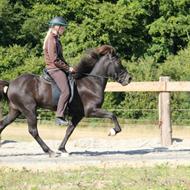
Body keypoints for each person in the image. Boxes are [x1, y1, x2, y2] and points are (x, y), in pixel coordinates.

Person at [43, 16, 75, 126]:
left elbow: (60, 57)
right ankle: (59, 116)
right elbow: (55, 60)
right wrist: (67, 68)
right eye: (63, 27)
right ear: (56, 27)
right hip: (54, 69)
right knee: (66, 91)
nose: (64, 29)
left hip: (58, 67)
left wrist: (69, 67)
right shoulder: (51, 39)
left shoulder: (56, 39)